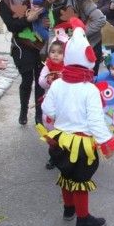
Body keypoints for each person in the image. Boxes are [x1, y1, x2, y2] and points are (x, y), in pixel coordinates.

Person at [40, 17, 114, 226]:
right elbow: (95, 121)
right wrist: (107, 142)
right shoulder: (89, 89)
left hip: (60, 140)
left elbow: (47, 110)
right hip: (82, 145)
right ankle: (83, 218)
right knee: (80, 181)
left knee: (65, 175)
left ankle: (68, 210)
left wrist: (54, 128)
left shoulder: (57, 84)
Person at [0, 0, 45, 125]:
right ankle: (24, 111)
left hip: (41, 43)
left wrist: (45, 22)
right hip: (22, 44)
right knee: (27, 79)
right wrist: (27, 19)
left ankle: (39, 114)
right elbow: (11, 26)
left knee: (40, 80)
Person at [43, 0, 106, 75]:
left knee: (87, 84)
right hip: (68, 51)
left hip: (89, 47)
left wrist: (78, 35)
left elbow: (100, 20)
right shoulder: (49, 4)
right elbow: (54, 30)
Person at [38, 39, 65, 170]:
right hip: (50, 103)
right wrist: (48, 80)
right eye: (53, 52)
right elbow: (41, 83)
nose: (55, 55)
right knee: (52, 132)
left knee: (64, 131)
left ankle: (65, 154)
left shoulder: (68, 68)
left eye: (60, 52)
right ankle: (53, 156)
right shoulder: (46, 67)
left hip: (64, 105)